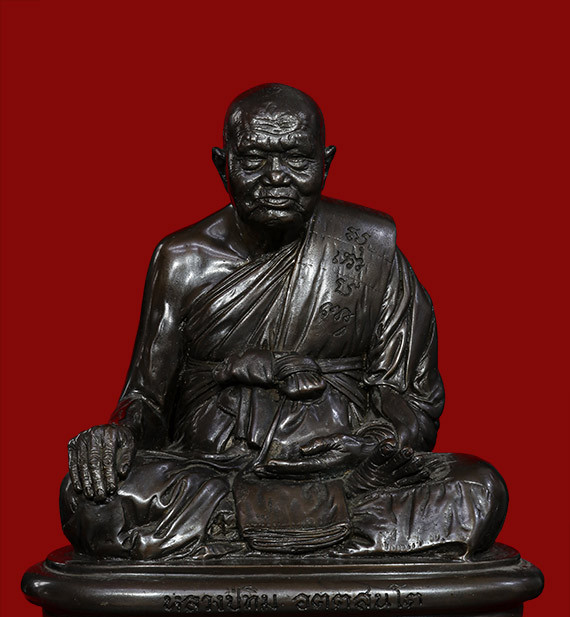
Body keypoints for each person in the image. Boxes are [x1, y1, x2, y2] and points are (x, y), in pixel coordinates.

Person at [61, 83, 508, 560]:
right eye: (254, 159)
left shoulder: (368, 248)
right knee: (87, 495)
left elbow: (409, 396)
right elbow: (147, 399)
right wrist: (117, 436)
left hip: (344, 470)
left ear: (326, 163)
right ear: (222, 165)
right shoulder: (183, 260)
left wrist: (372, 445)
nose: (276, 177)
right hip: (212, 467)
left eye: (297, 159)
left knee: (479, 487)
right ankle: (321, 531)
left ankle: (238, 530)